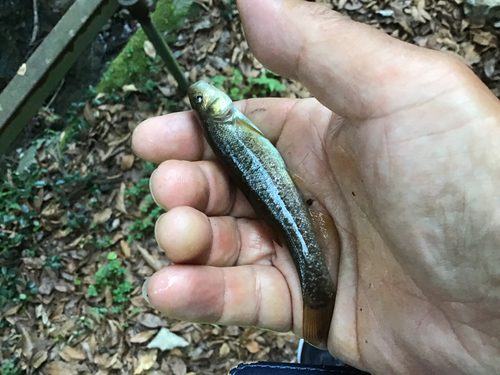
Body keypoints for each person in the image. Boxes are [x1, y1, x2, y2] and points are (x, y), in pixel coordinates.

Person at [131, 0, 500, 373]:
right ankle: (320, 315)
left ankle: (320, 338)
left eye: (199, 101)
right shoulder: (223, 124)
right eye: (200, 100)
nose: (203, 95)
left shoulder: (226, 125)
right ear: (213, 109)